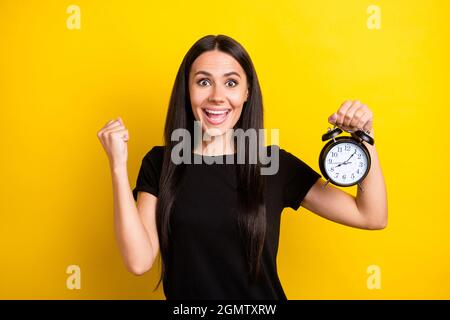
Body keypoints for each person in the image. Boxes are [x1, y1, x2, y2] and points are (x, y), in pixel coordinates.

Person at [97, 34, 388, 300]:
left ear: (247, 92)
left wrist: (366, 138)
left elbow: (371, 215)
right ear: (187, 90)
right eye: (203, 81)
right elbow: (138, 261)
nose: (217, 96)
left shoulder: (273, 165)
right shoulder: (161, 163)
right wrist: (118, 166)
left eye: (231, 82)